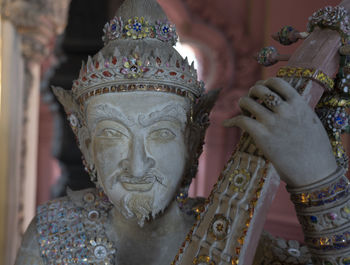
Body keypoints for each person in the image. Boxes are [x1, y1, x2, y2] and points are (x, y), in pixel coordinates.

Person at [14, 0, 350, 264]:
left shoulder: (235, 233)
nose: (137, 165)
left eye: (161, 133)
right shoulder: (53, 233)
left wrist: (317, 177)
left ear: (193, 140)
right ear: (85, 144)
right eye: (112, 134)